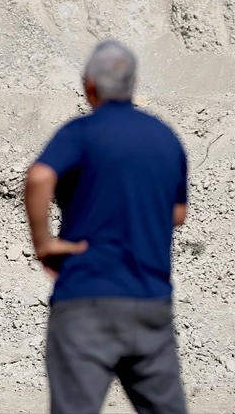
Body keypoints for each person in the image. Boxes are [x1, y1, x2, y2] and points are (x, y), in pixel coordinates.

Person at [25, 40, 190, 414]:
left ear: (90, 86)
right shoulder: (166, 139)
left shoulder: (80, 133)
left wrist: (44, 242)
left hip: (86, 297)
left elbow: (38, 177)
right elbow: (178, 214)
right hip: (149, 299)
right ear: (132, 84)